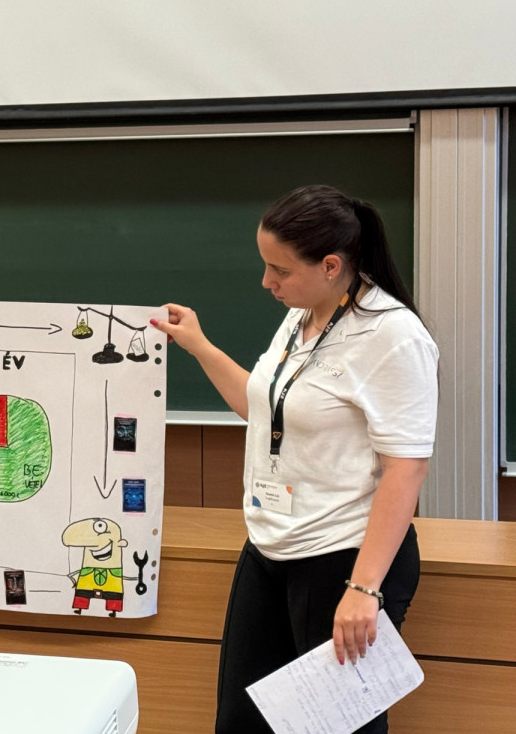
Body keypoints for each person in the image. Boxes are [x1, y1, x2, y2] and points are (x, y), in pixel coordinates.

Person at [151, 185, 438, 734]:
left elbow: (406, 468)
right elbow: (263, 408)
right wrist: (200, 346)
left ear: (330, 266)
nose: (267, 282)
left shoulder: (394, 336)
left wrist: (363, 589)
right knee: (241, 723)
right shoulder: (303, 315)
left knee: (335, 728)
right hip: (269, 547)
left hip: (342, 557)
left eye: (279, 269)